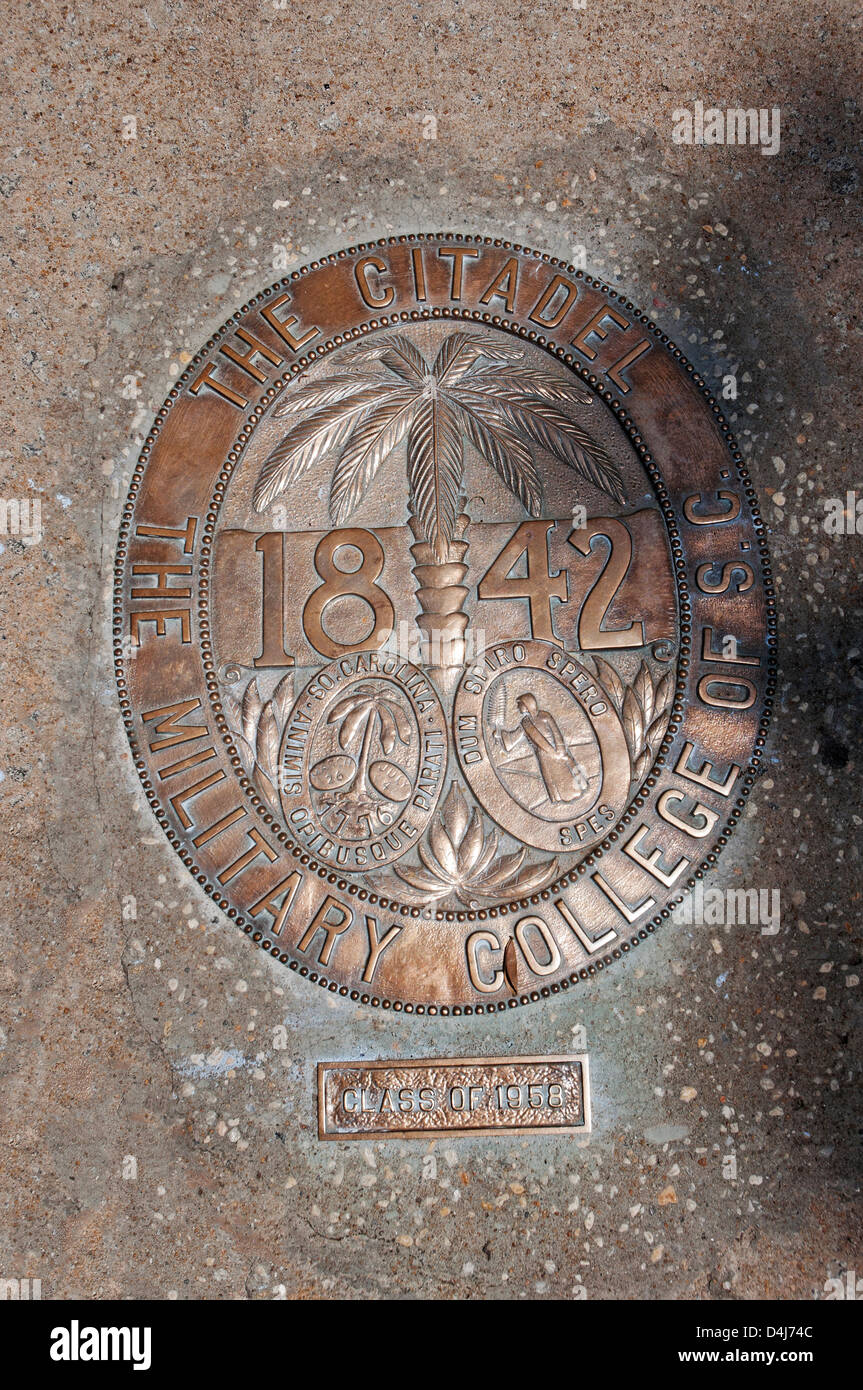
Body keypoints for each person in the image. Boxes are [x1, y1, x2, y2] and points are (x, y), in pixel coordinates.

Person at [497, 692, 588, 804]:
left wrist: (560, 750)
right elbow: (511, 740)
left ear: (526, 704)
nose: (517, 707)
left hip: (557, 751)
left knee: (567, 772)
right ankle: (560, 798)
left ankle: (577, 791)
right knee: (553, 778)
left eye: (519, 704)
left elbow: (556, 733)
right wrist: (499, 734)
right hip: (543, 756)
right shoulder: (525, 723)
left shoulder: (545, 716)